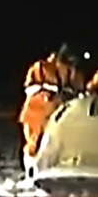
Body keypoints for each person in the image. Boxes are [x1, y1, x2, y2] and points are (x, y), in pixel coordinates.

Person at [18, 43, 87, 176]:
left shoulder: (75, 73)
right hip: (37, 113)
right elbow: (29, 88)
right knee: (34, 145)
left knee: (56, 147)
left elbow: (80, 91)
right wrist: (48, 89)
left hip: (60, 116)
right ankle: (30, 174)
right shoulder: (41, 67)